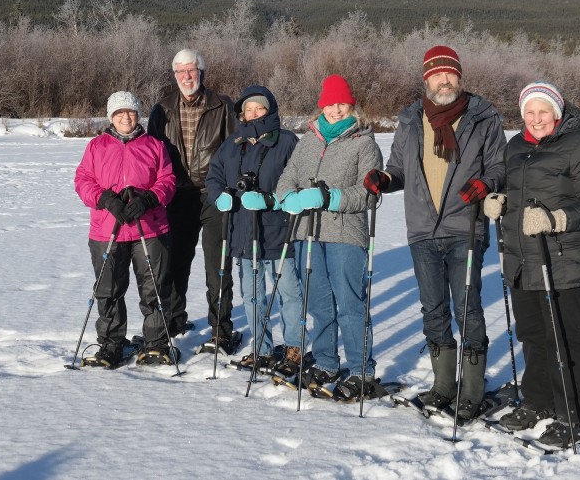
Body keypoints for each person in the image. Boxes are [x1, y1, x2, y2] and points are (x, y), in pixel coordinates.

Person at [364, 45, 506, 420]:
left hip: (466, 225)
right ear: (426, 79)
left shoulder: (483, 115)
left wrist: (485, 184)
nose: (444, 80)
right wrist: (383, 178)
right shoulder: (411, 118)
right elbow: (398, 167)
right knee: (433, 308)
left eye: (450, 74)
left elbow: (498, 166)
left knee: (467, 307)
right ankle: (443, 385)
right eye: (437, 74)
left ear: (459, 76)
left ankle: (473, 389)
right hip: (423, 228)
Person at [484, 82, 580, 447]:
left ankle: (570, 414)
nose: (536, 119)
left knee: (563, 340)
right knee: (533, 337)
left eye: (543, 112)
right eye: (529, 112)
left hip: (564, 259)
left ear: (557, 113)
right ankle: (537, 401)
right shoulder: (516, 146)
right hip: (523, 258)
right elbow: (522, 194)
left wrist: (556, 219)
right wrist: (501, 201)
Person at [274, 74, 383, 400]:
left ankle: (362, 370)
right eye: (330, 103)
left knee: (350, 303)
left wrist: (330, 198)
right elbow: (287, 178)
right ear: (321, 105)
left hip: (345, 233)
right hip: (307, 232)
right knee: (319, 304)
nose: (336, 109)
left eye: (342, 103)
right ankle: (325, 361)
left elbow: (369, 194)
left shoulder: (364, 142)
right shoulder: (308, 140)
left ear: (351, 105)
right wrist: (287, 198)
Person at [73, 91, 177, 367]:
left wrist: (149, 199)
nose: (125, 117)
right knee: (108, 290)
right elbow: (83, 180)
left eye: (130, 112)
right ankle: (111, 343)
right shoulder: (97, 146)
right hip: (108, 230)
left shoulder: (154, 145)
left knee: (154, 288)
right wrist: (105, 199)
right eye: (119, 113)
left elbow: (167, 179)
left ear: (137, 114)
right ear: (111, 117)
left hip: (149, 228)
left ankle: (155, 342)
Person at [205, 85, 303, 373]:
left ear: (269, 110)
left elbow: (297, 183)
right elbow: (214, 175)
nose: (253, 113)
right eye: (248, 109)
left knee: (288, 291)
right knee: (251, 294)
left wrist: (271, 201)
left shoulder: (286, 142)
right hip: (243, 230)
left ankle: (294, 346)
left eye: (259, 108)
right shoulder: (233, 143)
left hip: (278, 230)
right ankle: (261, 348)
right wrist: (219, 195)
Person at [148, 49, 239, 354]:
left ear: (202, 71)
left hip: (214, 195)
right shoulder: (162, 109)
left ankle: (221, 330)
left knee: (217, 265)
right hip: (176, 197)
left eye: (192, 70)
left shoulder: (222, 105)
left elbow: (234, 149)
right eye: (180, 72)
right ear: (174, 76)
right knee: (175, 263)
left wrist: (229, 187)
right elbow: (152, 154)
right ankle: (174, 320)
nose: (187, 76)